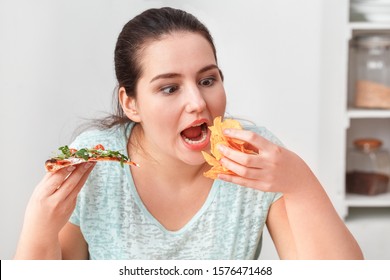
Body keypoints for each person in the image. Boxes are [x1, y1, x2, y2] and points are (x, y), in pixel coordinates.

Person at [14, 7, 363, 260]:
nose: (198, 102)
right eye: (169, 88)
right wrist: (39, 226)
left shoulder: (254, 156)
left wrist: (300, 182)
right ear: (130, 103)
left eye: (207, 80)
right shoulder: (95, 159)